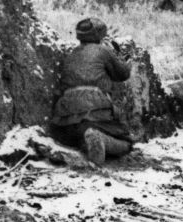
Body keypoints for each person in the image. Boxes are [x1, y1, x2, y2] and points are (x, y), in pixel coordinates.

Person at [49, 17, 135, 165]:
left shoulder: (71, 54)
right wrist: (127, 62)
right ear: (99, 34)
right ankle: (100, 139)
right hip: (94, 108)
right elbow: (122, 75)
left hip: (64, 117)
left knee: (80, 138)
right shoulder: (103, 50)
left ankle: (90, 145)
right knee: (126, 141)